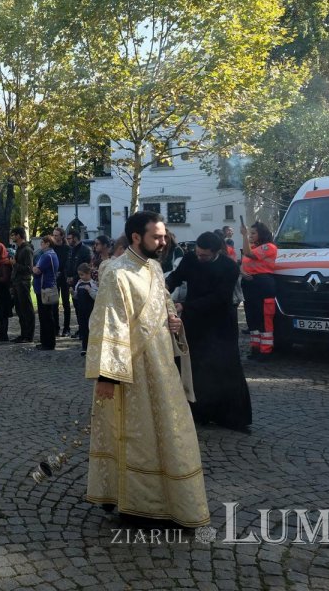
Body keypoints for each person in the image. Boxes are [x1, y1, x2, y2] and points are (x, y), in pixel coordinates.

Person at [86, 211, 209, 529]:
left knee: (168, 430)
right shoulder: (116, 273)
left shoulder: (154, 267)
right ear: (136, 237)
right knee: (135, 435)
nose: (163, 241)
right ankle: (136, 506)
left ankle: (169, 500)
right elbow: (108, 323)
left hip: (161, 366)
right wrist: (107, 376)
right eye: (157, 236)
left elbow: (164, 303)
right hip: (132, 372)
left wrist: (174, 320)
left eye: (164, 235)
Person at [167, 231, 253, 431]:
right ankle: (198, 412)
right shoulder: (190, 258)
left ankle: (232, 417)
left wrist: (186, 305)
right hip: (194, 321)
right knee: (194, 366)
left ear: (215, 252)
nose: (199, 257)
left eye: (204, 255)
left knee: (225, 366)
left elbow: (220, 298)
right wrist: (165, 286)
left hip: (220, 323)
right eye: (198, 253)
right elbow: (177, 277)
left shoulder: (229, 267)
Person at [240, 220, 278, 360]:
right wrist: (242, 272)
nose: (250, 236)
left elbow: (248, 254)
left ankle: (266, 351)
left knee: (264, 318)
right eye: (249, 233)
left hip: (263, 284)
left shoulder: (269, 247)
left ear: (261, 234)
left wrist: (244, 235)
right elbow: (243, 263)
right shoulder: (253, 247)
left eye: (253, 233)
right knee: (252, 318)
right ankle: (255, 348)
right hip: (250, 285)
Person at [59, 231, 92, 338]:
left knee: (83, 308)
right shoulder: (71, 250)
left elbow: (86, 267)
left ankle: (85, 330)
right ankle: (80, 328)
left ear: (75, 238)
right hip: (71, 283)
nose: (67, 240)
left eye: (69, 238)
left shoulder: (85, 250)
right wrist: (67, 277)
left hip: (82, 283)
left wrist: (75, 277)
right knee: (77, 308)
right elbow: (67, 265)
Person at [33, 235, 60, 350]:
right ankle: (45, 341)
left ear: (48, 243)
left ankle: (48, 343)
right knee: (46, 316)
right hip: (48, 287)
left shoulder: (46, 256)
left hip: (44, 288)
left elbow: (37, 270)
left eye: (42, 243)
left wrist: (33, 267)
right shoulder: (53, 254)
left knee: (45, 316)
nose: (41, 245)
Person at [11, 227, 35, 343]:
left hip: (23, 282)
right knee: (20, 309)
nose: (12, 237)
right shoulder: (19, 249)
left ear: (19, 235)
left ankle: (28, 335)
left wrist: (15, 264)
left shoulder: (26, 249)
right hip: (17, 282)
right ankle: (23, 334)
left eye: (13, 235)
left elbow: (29, 269)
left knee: (26, 309)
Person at [0, 241, 14, 342]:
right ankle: (1, 333)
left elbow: (5, 278)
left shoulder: (4, 263)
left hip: (3, 291)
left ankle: (3, 334)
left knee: (3, 314)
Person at [73, 263, 98, 354]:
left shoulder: (93, 284)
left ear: (88, 273)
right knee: (83, 327)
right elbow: (76, 296)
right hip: (81, 309)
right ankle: (84, 346)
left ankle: (92, 346)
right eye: (79, 275)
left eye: (82, 275)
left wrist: (90, 290)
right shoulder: (79, 283)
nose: (81, 277)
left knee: (90, 327)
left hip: (90, 310)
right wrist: (72, 293)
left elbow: (96, 297)